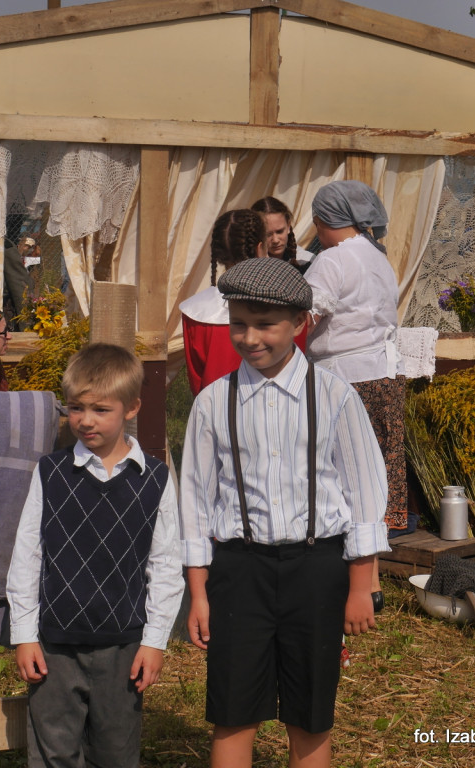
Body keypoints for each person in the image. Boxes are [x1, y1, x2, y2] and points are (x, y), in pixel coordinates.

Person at [179, 257, 389, 768]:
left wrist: (362, 585)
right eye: (238, 324)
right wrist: (198, 592)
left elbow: (364, 494)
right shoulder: (212, 403)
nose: (250, 338)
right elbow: (195, 504)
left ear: (300, 323)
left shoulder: (336, 397)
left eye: (265, 324)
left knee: (310, 713)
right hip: (238, 570)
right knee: (233, 710)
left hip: (316, 569)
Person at [6, 342, 184, 768]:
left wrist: (155, 642)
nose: (85, 420)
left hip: (123, 646)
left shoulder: (155, 479)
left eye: (100, 409)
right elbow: (27, 555)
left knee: (116, 753)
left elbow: (165, 565)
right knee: (55, 752)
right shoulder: (50, 473)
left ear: (132, 408)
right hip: (55, 648)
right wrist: (25, 635)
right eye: (76, 408)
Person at [304, 180, 407, 611]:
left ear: (324, 221)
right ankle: (374, 582)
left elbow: (302, 317)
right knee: (375, 472)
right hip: (384, 376)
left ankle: (353, 584)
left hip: (345, 379)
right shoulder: (378, 258)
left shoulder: (331, 262)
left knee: (344, 473)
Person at [179, 209, 266, 396]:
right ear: (260, 248)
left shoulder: (196, 310)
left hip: (215, 409)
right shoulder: (283, 305)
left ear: (217, 255)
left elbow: (196, 379)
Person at [251, 196, 316, 273]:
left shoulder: (306, 261)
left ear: (288, 226)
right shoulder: (246, 263)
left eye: (279, 231)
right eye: (267, 234)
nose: (275, 240)